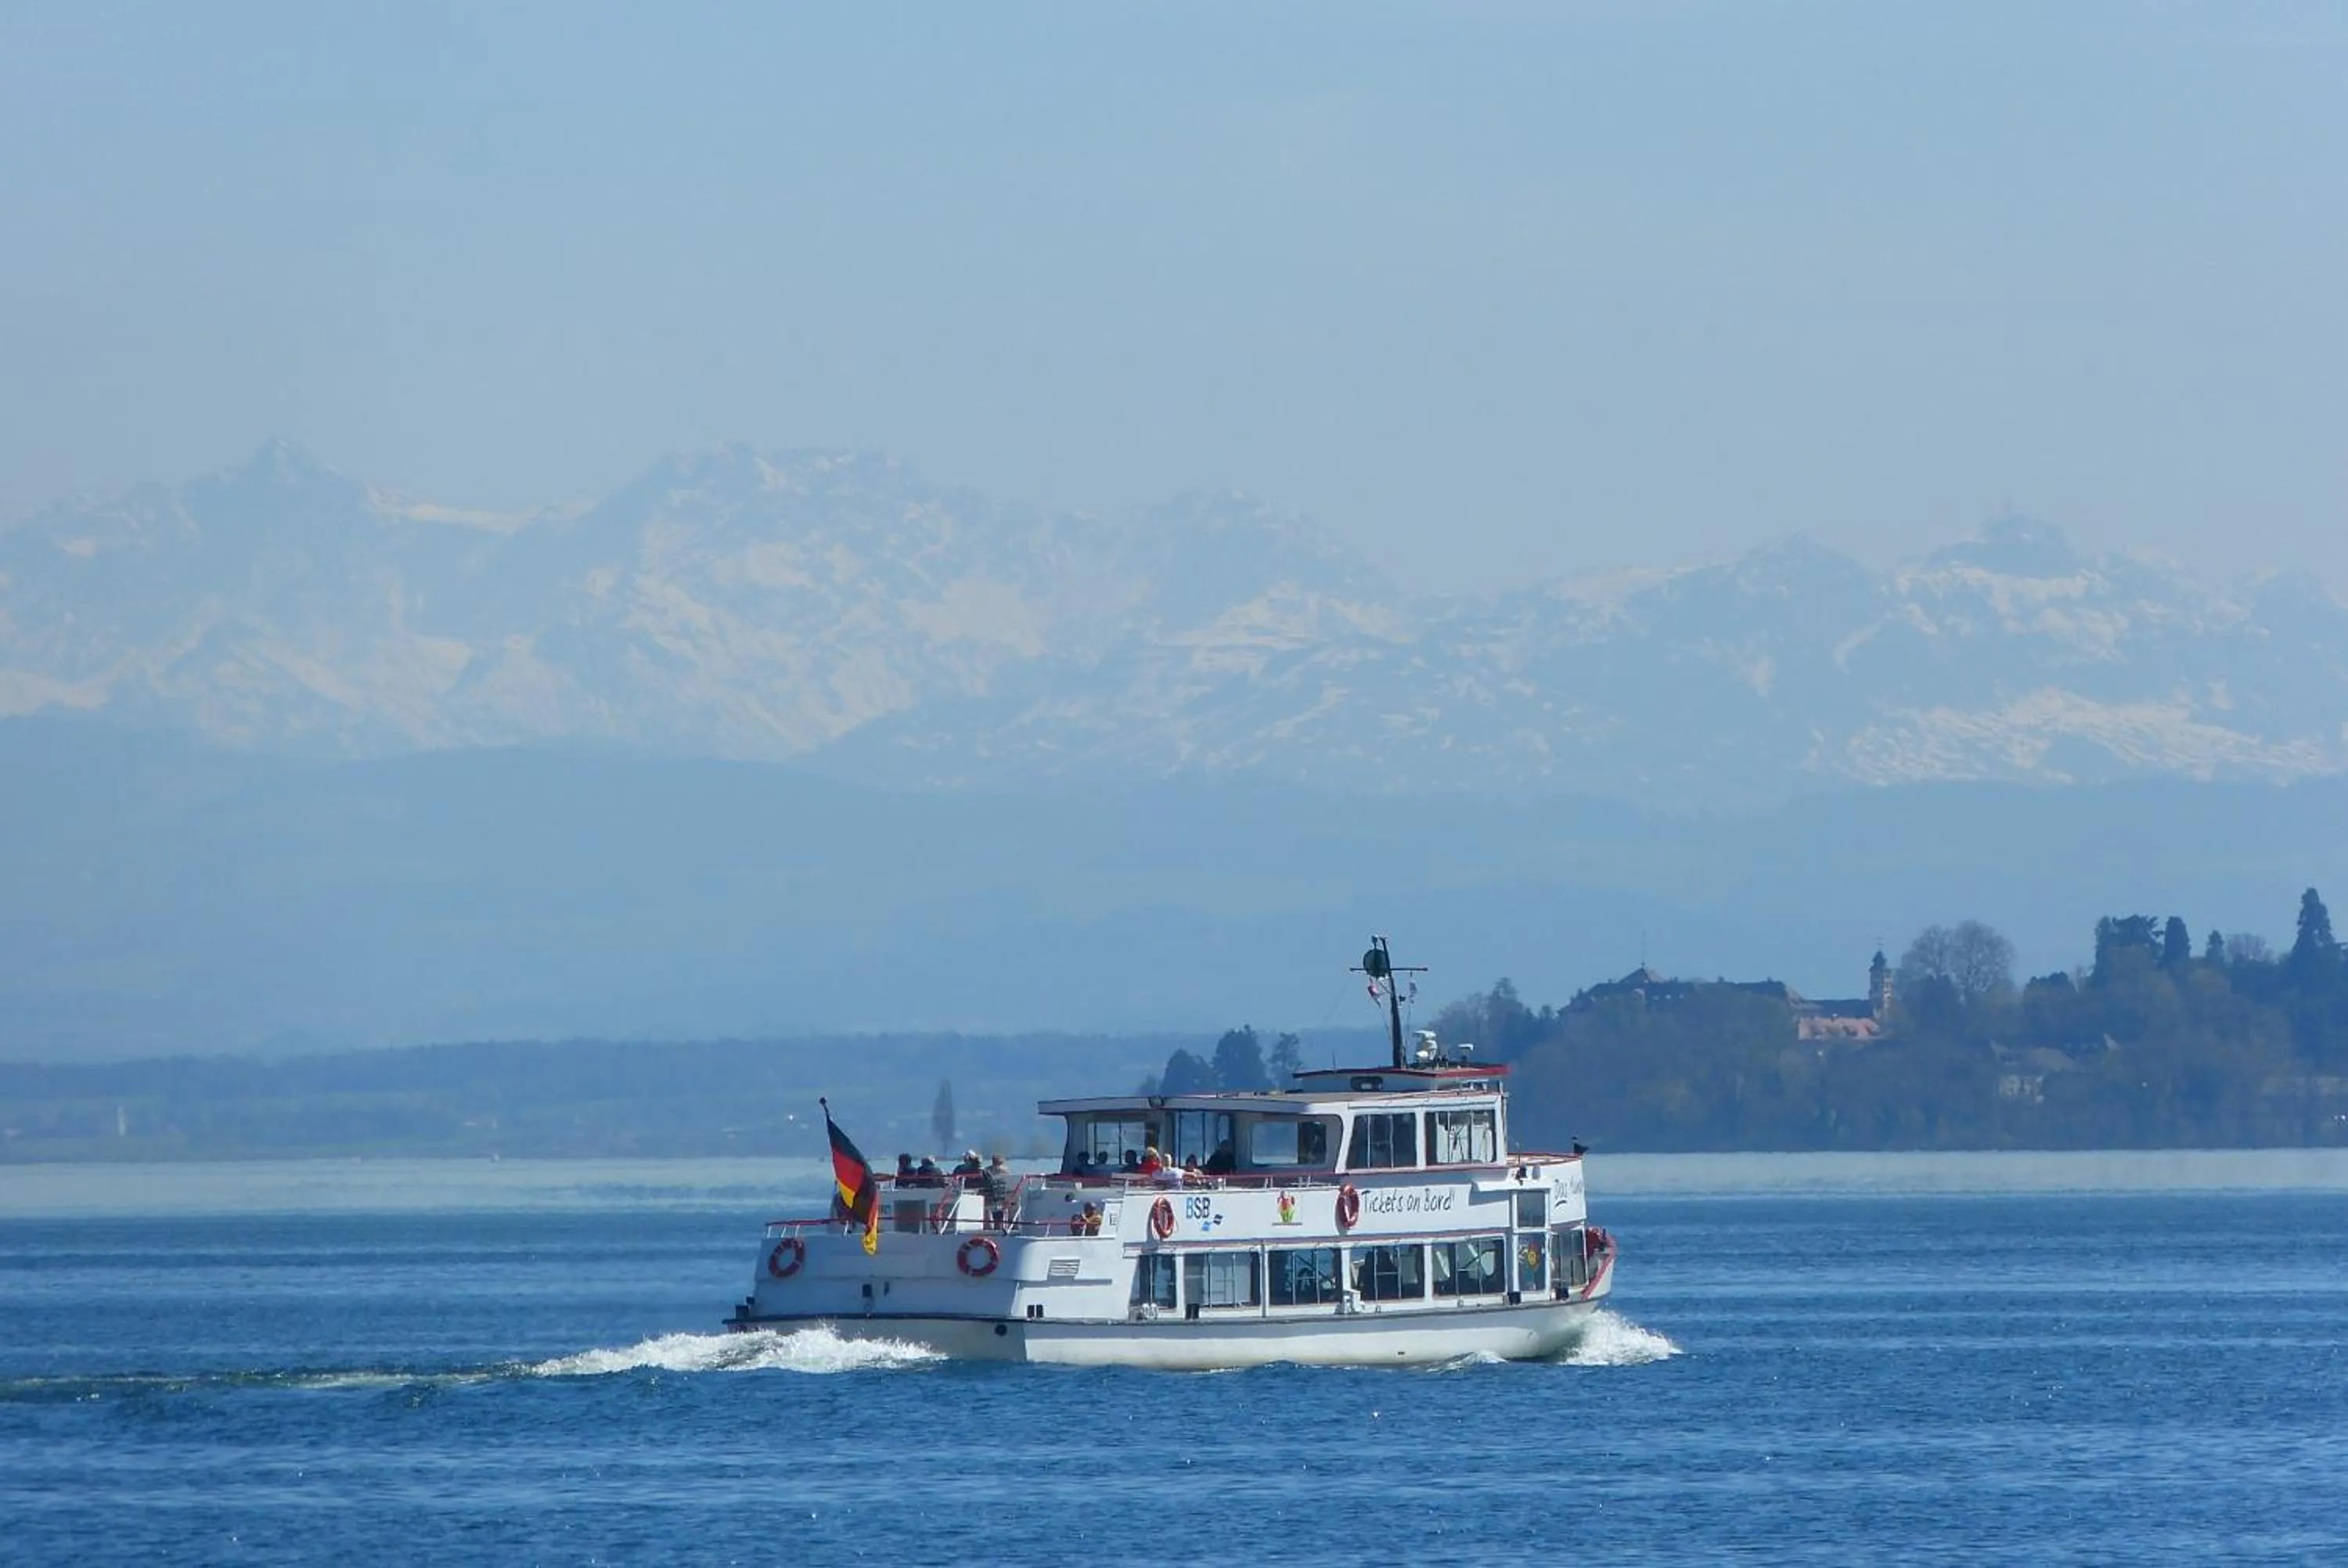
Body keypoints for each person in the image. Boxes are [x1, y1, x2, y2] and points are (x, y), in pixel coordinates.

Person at [981, 1154, 1014, 1230]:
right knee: (1002, 1207)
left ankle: (994, 1227)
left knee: (997, 1209)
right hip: (997, 1198)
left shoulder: (986, 1171)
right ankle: (1000, 1227)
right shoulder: (1005, 1172)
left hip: (992, 1197)